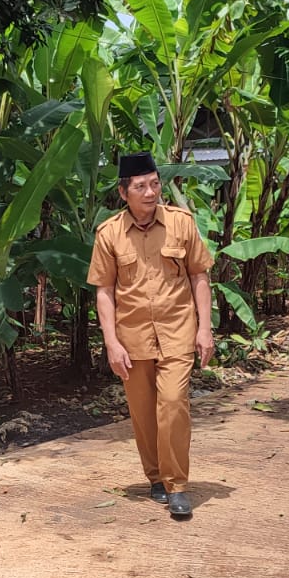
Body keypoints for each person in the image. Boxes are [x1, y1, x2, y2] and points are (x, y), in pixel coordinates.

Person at [87, 152, 215, 519]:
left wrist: (204, 329)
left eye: (155, 183)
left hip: (177, 330)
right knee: (143, 413)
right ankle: (155, 477)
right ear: (124, 191)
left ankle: (177, 485)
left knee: (173, 404)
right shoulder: (109, 233)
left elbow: (199, 277)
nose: (150, 192)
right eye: (141, 186)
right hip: (132, 337)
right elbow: (105, 291)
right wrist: (111, 342)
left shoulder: (181, 224)